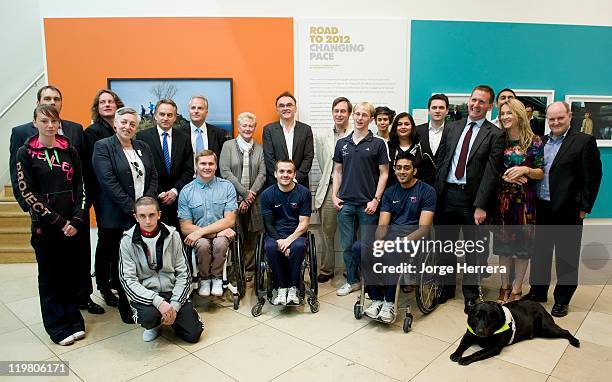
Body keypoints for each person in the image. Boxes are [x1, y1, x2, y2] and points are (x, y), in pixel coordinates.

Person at [9, 85, 102, 315]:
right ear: (38, 104)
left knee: (79, 260)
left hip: (73, 212)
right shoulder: (21, 135)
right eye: (47, 99)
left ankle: (82, 299)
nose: (52, 102)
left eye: (56, 99)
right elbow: (18, 174)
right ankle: (59, 314)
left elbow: (83, 174)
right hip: (45, 214)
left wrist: (81, 211)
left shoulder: (74, 130)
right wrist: (29, 206)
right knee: (52, 271)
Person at [16, 104, 87, 345]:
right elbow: (28, 193)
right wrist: (59, 222)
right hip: (46, 228)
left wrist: (76, 219)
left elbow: (81, 187)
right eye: (44, 121)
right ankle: (57, 326)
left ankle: (74, 320)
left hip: (72, 226)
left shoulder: (70, 150)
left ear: (59, 123)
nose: (49, 126)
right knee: (50, 279)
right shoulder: (25, 153)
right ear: (35, 123)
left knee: (70, 275)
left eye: (53, 121)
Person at [524, 102, 602, 318]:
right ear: (547, 120)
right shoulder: (542, 142)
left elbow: (593, 177)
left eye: (560, 118)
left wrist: (584, 208)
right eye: (552, 119)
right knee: (540, 253)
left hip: (568, 210)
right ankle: (538, 292)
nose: (555, 122)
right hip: (542, 207)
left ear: (569, 117)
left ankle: (562, 300)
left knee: (566, 257)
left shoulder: (583, 141)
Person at [434, 85, 504, 314]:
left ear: (489, 106)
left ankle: (471, 295)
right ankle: (445, 289)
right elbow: (442, 161)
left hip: (472, 201)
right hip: (447, 196)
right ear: (468, 100)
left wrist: (481, 205)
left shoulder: (494, 134)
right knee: (445, 247)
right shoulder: (452, 127)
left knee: (474, 251)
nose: (476, 105)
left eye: (482, 102)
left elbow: (492, 173)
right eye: (473, 100)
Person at [92, 106, 158, 323]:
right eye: (124, 122)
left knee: (139, 260)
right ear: (115, 123)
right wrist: (133, 209)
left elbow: (153, 177)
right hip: (116, 216)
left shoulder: (142, 146)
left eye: (132, 123)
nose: (128, 126)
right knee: (120, 261)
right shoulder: (103, 147)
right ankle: (124, 305)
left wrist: (146, 207)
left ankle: (141, 298)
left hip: (142, 215)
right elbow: (108, 181)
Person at [361, 152, 436, 322]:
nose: (402, 171)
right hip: (391, 238)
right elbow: (383, 225)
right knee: (361, 248)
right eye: (399, 168)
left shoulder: (427, 191)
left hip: (414, 240)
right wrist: (379, 242)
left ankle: (389, 302)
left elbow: (424, 229)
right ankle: (376, 298)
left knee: (394, 251)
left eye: (407, 168)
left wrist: (401, 242)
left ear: (414, 171)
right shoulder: (389, 193)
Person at [119, 197, 203, 343]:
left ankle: (177, 317)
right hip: (148, 295)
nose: (148, 221)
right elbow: (128, 281)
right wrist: (158, 302)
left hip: (172, 291)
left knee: (193, 335)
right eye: (142, 216)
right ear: (135, 217)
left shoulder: (173, 236)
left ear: (159, 214)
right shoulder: (127, 241)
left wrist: (175, 306)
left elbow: (184, 274)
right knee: (148, 316)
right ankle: (153, 325)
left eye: (151, 215)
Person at [332, 102, 390, 296]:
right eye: (357, 114)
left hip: (368, 205)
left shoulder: (378, 144)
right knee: (347, 246)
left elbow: (384, 174)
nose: (359, 118)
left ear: (371, 119)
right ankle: (352, 280)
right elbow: (337, 171)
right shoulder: (342, 143)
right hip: (346, 204)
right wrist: (334, 195)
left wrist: (376, 200)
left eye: (364, 115)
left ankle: (370, 284)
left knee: (366, 247)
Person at [492, 98, 544, 303]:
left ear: (519, 115)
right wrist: (503, 176)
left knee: (522, 249)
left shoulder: (534, 141)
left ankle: (517, 289)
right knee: (504, 248)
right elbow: (490, 169)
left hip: (525, 203)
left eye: (508, 113)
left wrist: (526, 170)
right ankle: (504, 286)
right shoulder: (498, 138)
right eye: (502, 113)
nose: (504, 117)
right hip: (503, 200)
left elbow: (541, 172)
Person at [83, 89, 125, 309]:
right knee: (107, 242)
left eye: (111, 101)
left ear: (117, 105)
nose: (107, 105)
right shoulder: (93, 133)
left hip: (124, 197)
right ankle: (104, 287)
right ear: (97, 107)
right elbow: (98, 170)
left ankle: (117, 282)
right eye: (102, 102)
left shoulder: (122, 129)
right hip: (106, 197)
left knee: (120, 243)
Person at [178, 150, 238, 297]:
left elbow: (230, 220)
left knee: (220, 243)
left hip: (221, 236)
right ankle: (204, 279)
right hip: (202, 237)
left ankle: (217, 278)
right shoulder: (186, 191)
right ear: (196, 166)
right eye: (203, 163)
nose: (207, 167)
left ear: (216, 166)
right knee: (203, 245)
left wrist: (201, 232)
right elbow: (185, 226)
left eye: (211, 163)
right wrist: (215, 232)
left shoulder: (227, 187)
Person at [219, 112, 266, 281]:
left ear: (254, 128)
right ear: (239, 127)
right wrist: (244, 194)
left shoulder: (260, 148)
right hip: (232, 199)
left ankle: (249, 269)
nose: (247, 129)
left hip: (254, 200)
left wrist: (249, 196)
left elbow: (262, 174)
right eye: (244, 125)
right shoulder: (228, 146)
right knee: (234, 233)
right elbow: (225, 172)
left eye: (251, 126)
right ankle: (234, 269)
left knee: (252, 235)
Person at [260, 160, 311, 305]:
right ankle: (281, 287)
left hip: (296, 234)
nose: (285, 175)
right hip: (275, 233)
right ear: (275, 174)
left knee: (299, 246)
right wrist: (281, 241)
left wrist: (288, 241)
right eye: (281, 171)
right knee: (270, 247)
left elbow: (304, 223)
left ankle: (293, 287)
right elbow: (268, 224)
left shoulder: (304, 193)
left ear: (294, 174)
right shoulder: (267, 195)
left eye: (289, 172)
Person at [136, 99, 193, 229]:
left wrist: (174, 191)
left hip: (179, 199)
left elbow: (188, 170)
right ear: (155, 115)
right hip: (153, 198)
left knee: (177, 239)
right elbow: (143, 169)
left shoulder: (184, 138)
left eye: (170, 115)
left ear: (175, 118)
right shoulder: (142, 137)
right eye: (162, 114)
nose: (165, 118)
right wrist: (159, 192)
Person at [314, 97, 352, 283]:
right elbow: (323, 163)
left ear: (349, 113)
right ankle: (326, 269)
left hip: (352, 190)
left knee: (350, 232)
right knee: (327, 231)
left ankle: (349, 269)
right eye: (336, 110)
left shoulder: (357, 134)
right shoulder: (322, 136)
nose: (339, 114)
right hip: (330, 188)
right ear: (332, 112)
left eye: (343, 111)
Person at [262, 91, 314, 189]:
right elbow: (269, 158)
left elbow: (308, 157)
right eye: (281, 106)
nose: (285, 108)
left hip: (300, 183)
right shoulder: (269, 130)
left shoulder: (306, 129)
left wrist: (295, 178)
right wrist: (281, 178)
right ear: (277, 109)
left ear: (295, 108)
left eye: (289, 105)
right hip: (275, 184)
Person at [387, 112, 436, 187]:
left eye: (407, 124)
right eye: (399, 124)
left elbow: (429, 172)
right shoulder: (388, 147)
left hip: (417, 193)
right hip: (393, 192)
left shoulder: (421, 146)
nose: (403, 127)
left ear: (412, 127)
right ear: (395, 127)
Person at [183, 95, 228, 168]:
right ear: (189, 111)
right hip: (187, 179)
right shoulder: (179, 133)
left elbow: (223, 162)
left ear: (206, 112)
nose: (196, 111)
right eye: (193, 108)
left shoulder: (219, 134)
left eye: (200, 108)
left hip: (212, 178)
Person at [416, 94, 449, 161]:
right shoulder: (417, 130)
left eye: (441, 108)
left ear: (447, 111)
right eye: (434, 107)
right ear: (428, 110)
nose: (437, 111)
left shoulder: (453, 131)